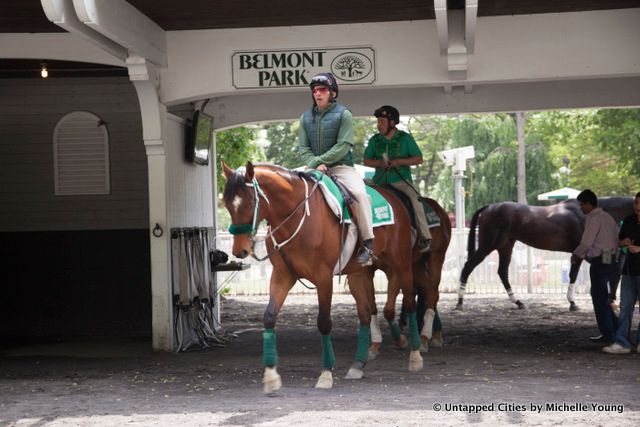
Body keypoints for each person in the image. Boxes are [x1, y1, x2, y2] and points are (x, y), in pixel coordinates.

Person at [296, 72, 375, 265]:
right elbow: (302, 148)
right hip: (315, 168)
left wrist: (318, 161)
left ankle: (367, 244)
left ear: (332, 93)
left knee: (360, 195)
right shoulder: (305, 118)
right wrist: (315, 163)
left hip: (341, 168)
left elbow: (343, 146)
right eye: (315, 91)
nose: (318, 94)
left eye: (322, 90)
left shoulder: (344, 114)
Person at [363, 105, 432, 252]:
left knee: (416, 199)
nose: (378, 125)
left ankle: (424, 237)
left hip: (401, 181)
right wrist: (380, 164)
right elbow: (367, 161)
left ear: (392, 123)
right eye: (378, 122)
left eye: (382, 121)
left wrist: (399, 162)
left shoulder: (405, 138)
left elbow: (419, 159)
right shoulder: (375, 140)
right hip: (379, 182)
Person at [571, 189, 619, 344]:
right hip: (610, 256)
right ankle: (615, 328)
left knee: (599, 296)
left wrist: (577, 254)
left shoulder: (593, 218)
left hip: (600, 258)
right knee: (603, 296)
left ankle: (608, 333)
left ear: (588, 203)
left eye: (582, 205)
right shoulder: (607, 217)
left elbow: (586, 241)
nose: (581, 208)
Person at [602, 191, 640, 354]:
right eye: (637, 203)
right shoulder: (629, 221)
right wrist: (623, 242)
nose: (638, 207)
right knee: (625, 308)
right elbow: (620, 240)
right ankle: (622, 342)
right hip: (628, 270)